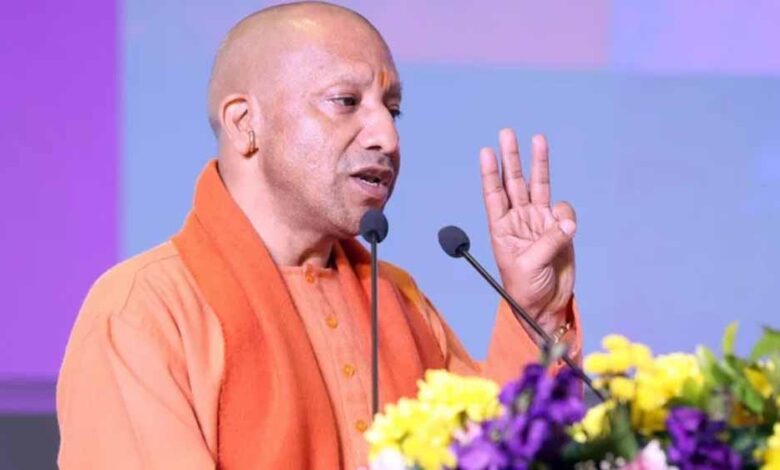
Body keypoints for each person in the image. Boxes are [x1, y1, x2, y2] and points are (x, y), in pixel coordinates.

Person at [56, 2, 581, 469]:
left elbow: (496, 451)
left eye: (392, 109)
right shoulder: (145, 310)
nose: (387, 137)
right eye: (346, 101)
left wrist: (535, 311)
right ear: (244, 123)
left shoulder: (399, 301)